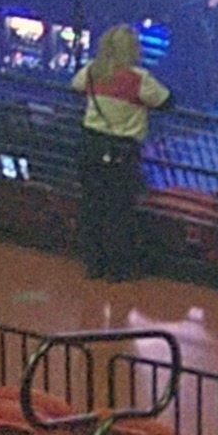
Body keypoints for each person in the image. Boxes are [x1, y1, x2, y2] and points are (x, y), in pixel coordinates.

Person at [72, 22, 170, 280]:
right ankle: (118, 268)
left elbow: (76, 85)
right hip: (122, 151)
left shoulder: (92, 71)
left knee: (92, 205)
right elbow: (165, 100)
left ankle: (94, 263)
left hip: (91, 145)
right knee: (119, 209)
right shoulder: (139, 78)